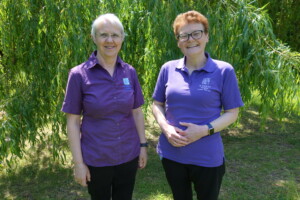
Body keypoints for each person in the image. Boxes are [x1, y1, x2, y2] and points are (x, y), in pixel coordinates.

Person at [152, 10, 244, 200]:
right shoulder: (167, 69)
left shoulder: (223, 70)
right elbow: (157, 104)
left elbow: (232, 113)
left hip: (207, 157)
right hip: (172, 154)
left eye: (196, 33)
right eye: (184, 35)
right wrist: (165, 127)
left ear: (207, 36)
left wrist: (204, 130)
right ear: (178, 41)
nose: (190, 39)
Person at [61, 13, 147, 200]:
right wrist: (78, 163)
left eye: (115, 35)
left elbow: (137, 112)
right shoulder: (78, 75)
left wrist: (143, 146)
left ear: (122, 38)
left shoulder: (129, 72)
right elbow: (73, 122)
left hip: (128, 154)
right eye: (103, 35)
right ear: (94, 38)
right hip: (97, 158)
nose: (110, 40)